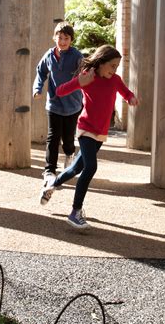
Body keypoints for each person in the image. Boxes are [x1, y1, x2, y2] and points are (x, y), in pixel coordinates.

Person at [39, 44, 138, 230]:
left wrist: (131, 98)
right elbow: (60, 91)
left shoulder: (115, 79)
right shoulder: (87, 78)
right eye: (112, 66)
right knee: (91, 167)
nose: (114, 70)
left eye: (117, 66)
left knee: (76, 168)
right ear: (101, 63)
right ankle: (75, 212)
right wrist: (79, 83)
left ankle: (52, 183)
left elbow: (125, 92)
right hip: (85, 129)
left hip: (100, 132)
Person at [33, 22, 83, 185]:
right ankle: (49, 171)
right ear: (55, 37)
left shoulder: (76, 56)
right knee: (53, 137)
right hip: (54, 104)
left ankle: (69, 154)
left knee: (68, 138)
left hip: (72, 105)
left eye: (66, 38)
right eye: (59, 37)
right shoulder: (49, 55)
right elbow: (41, 73)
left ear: (71, 40)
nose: (62, 41)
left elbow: (84, 75)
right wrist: (37, 88)